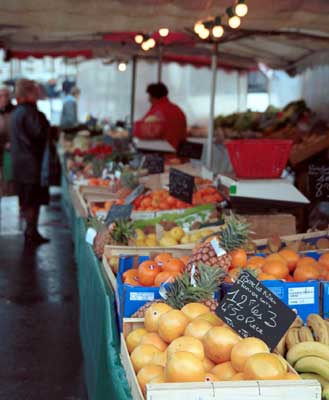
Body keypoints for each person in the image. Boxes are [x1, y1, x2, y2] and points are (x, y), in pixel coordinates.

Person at [11, 79, 50, 245]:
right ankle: (31, 232)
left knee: (27, 200)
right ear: (29, 93)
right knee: (33, 200)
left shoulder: (17, 111)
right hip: (31, 164)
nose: (38, 93)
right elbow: (39, 134)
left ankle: (30, 231)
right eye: (35, 90)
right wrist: (49, 127)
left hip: (20, 163)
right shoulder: (31, 112)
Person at [133, 83, 187, 150]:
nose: (148, 100)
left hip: (166, 154)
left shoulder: (158, 111)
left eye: (149, 96)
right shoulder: (176, 109)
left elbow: (145, 130)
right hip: (181, 153)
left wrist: (132, 128)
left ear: (153, 97)